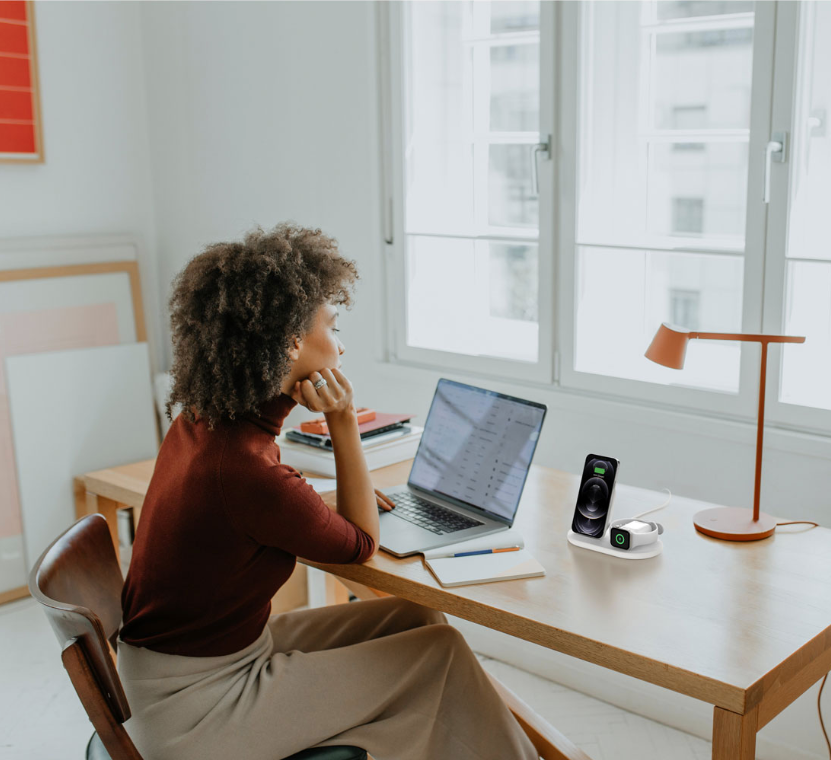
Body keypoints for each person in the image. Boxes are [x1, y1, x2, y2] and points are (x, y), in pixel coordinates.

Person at [117, 224, 537, 760]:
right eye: (333, 327)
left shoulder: (207, 422)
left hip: (180, 668)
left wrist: (311, 500)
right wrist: (342, 419)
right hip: (196, 708)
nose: (341, 345)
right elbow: (361, 542)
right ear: (292, 342)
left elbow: (253, 505)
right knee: (442, 653)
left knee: (416, 619)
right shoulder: (247, 471)